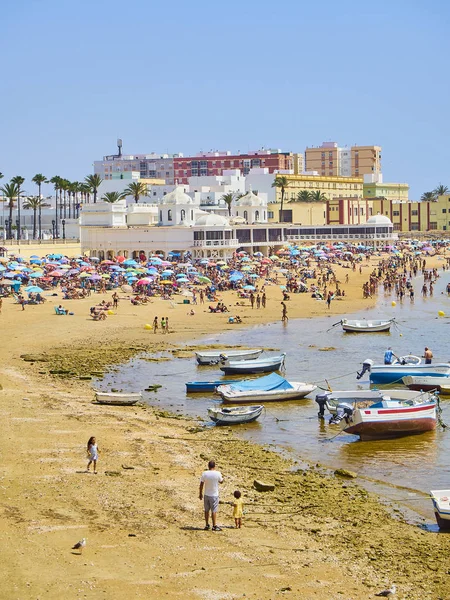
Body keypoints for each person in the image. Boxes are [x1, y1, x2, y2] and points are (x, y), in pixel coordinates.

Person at [199, 460, 223, 531]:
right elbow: (221, 481)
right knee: (214, 510)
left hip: (206, 494)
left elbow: (201, 484)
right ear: (214, 466)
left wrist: (200, 493)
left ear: (208, 466)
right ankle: (214, 525)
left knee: (206, 510)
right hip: (214, 495)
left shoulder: (205, 473)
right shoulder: (217, 473)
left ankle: (206, 524)